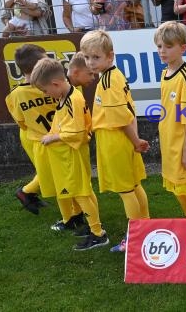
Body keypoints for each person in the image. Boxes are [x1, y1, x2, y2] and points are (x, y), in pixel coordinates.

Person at [80, 30, 150, 252]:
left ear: (110, 56)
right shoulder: (115, 75)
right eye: (87, 57)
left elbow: (121, 119)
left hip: (115, 139)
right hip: (123, 138)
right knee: (134, 185)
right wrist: (135, 139)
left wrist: (135, 141)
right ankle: (147, 228)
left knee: (126, 190)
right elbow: (130, 111)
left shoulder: (109, 81)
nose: (90, 62)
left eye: (96, 57)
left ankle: (134, 239)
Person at [31, 58, 109, 251]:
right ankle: (93, 228)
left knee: (83, 193)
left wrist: (53, 137)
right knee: (82, 191)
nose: (46, 94)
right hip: (69, 153)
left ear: (55, 84)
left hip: (74, 153)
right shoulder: (65, 96)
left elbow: (78, 131)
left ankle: (98, 234)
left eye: (45, 90)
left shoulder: (73, 99)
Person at [155, 21, 186, 218]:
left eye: (168, 46)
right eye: (159, 46)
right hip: (170, 143)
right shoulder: (165, 73)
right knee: (177, 188)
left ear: (183, 48)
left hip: (185, 145)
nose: (162, 51)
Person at [7, 45, 57, 216]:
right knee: (50, 171)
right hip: (33, 136)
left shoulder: (51, 85)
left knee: (51, 170)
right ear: (38, 66)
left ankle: (29, 193)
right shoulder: (17, 94)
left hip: (46, 133)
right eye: (45, 60)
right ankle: (26, 192)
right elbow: (21, 122)